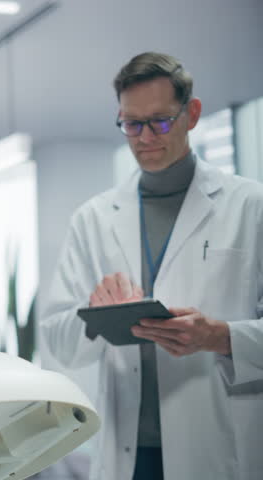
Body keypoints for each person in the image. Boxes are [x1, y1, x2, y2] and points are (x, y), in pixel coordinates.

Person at [41, 52, 263, 480]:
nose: (145, 137)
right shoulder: (93, 218)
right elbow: (56, 337)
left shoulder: (250, 206)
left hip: (218, 445)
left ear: (192, 113)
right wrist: (93, 314)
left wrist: (220, 336)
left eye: (160, 121)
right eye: (131, 124)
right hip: (127, 450)